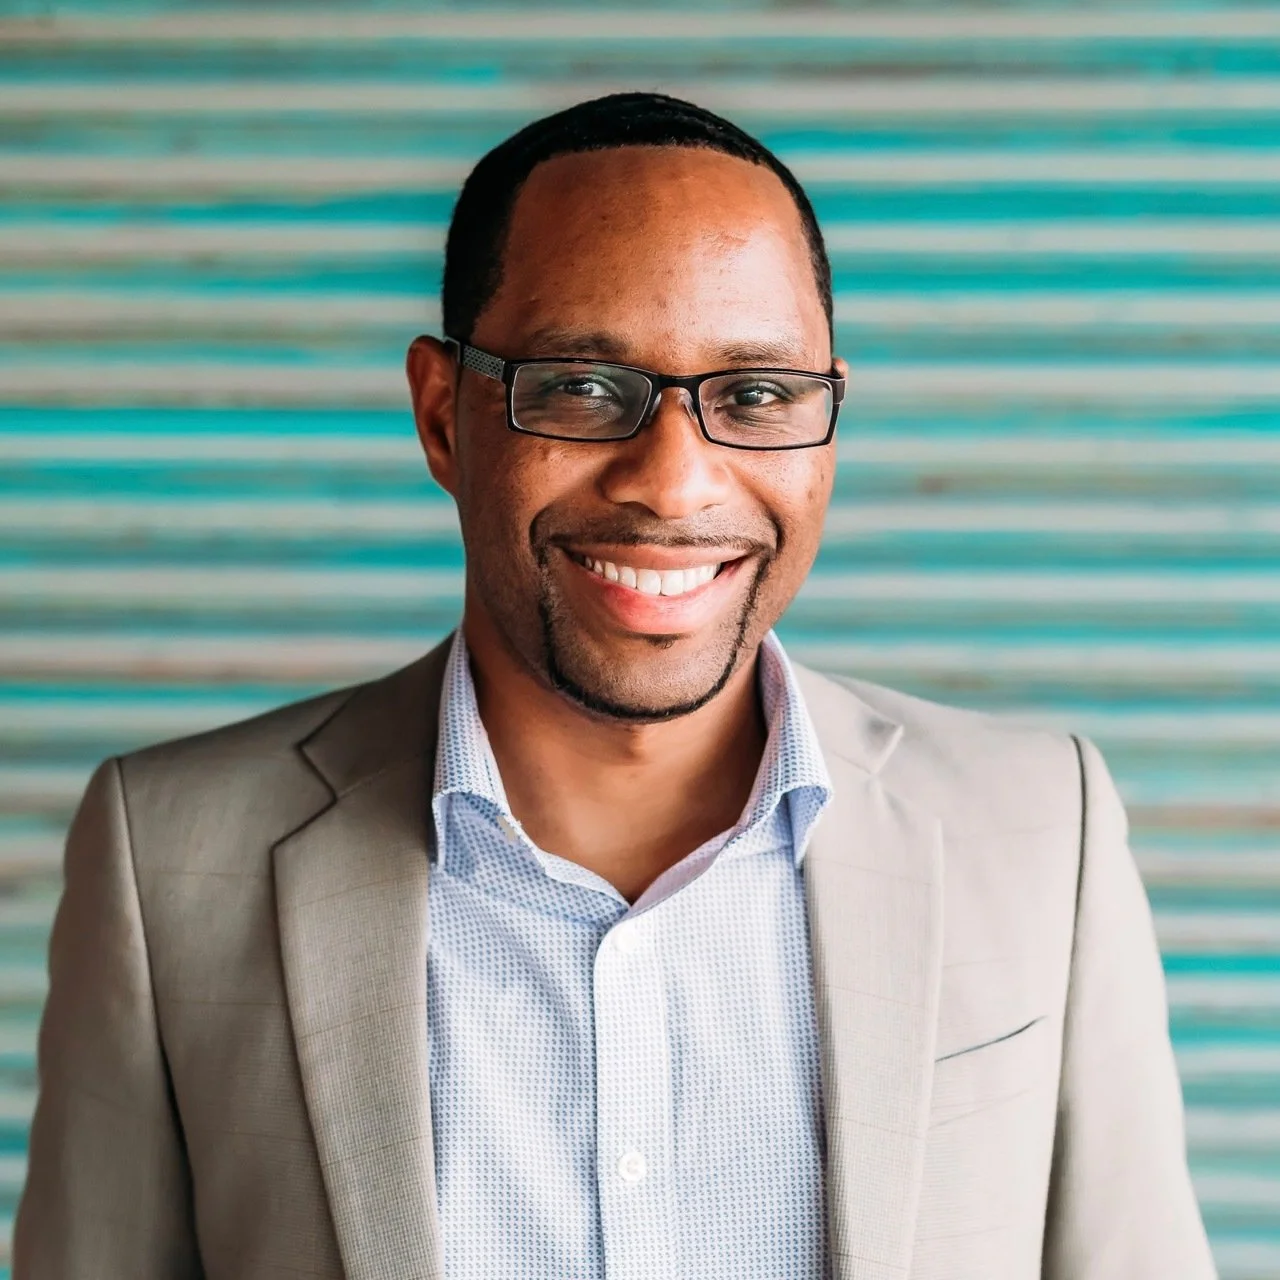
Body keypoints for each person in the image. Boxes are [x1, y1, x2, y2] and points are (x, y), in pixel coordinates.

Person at [15, 92, 1215, 1280]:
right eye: (582, 388)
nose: (674, 483)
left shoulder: (1035, 830)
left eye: (753, 396)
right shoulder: (168, 852)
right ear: (444, 415)